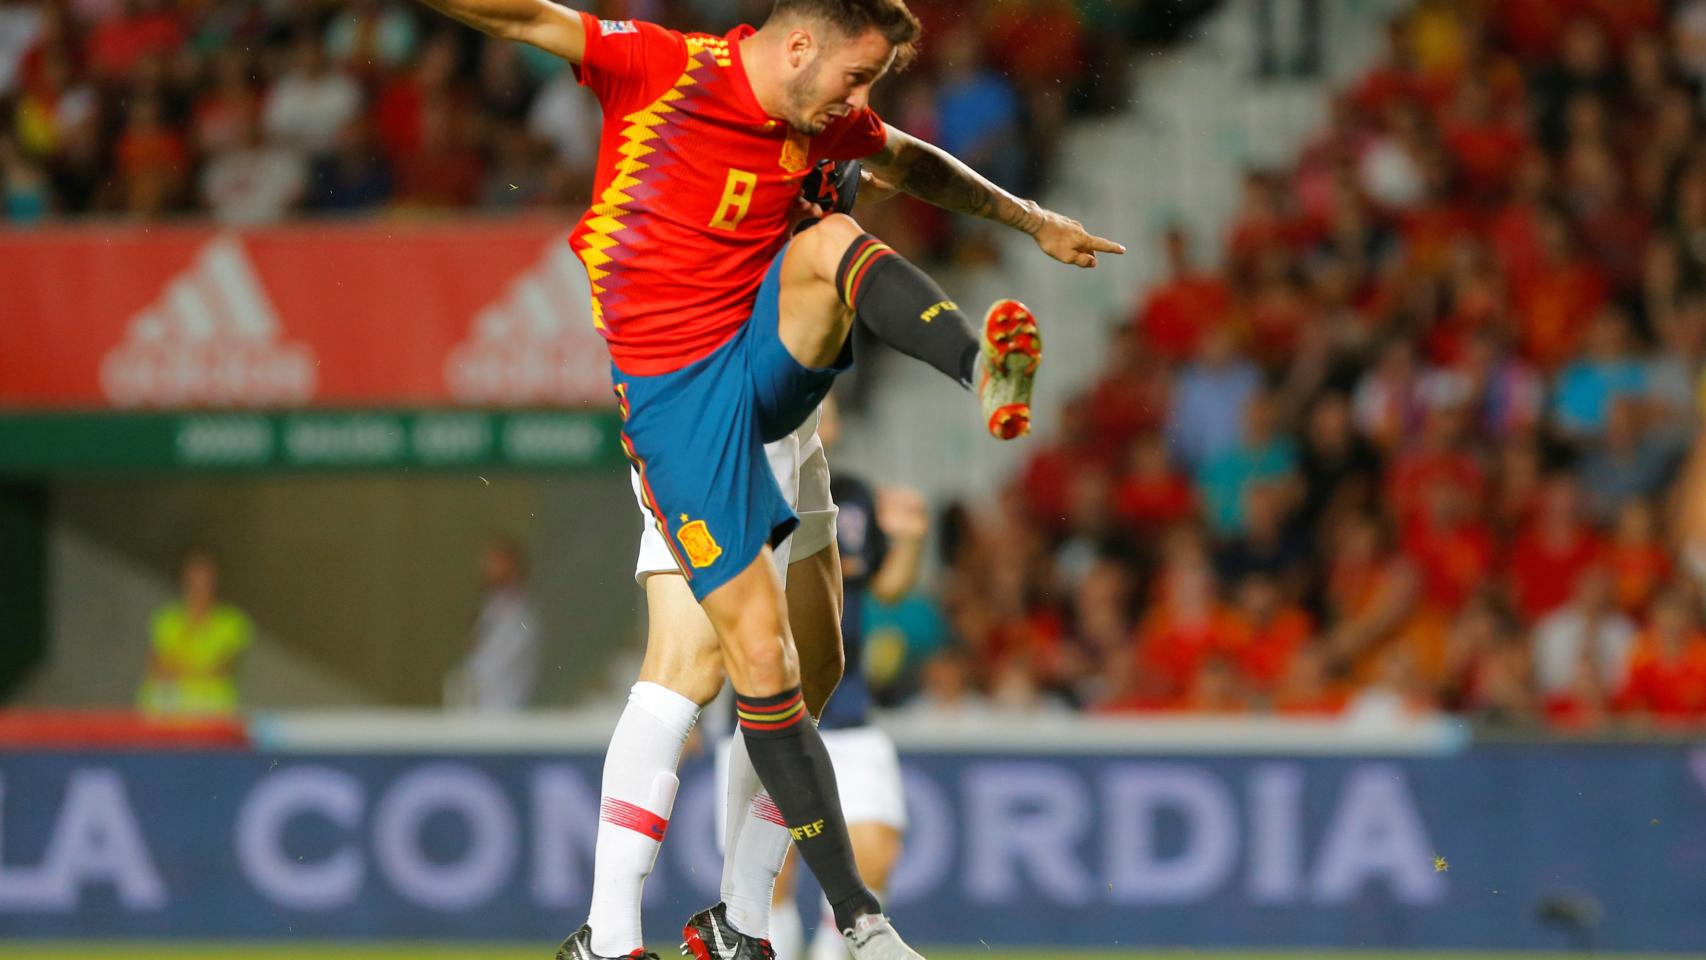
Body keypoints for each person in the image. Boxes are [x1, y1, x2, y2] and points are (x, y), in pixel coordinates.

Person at [409, 2, 1123, 958]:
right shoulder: (663, 70)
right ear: (797, 46)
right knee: (716, 664)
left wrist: (1030, 220)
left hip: (773, 374)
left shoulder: (829, 116)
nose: (862, 105)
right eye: (856, 79)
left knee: (812, 663)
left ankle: (978, 368)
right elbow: (528, 16)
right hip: (681, 405)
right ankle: (658, 933)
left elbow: (909, 160)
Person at [768, 395, 925, 960]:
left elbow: (885, 587)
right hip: (769, 711)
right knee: (771, 877)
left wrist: (908, 540)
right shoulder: (746, 487)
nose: (822, 410)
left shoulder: (854, 497)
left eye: (829, 404)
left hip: (848, 707)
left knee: (875, 855)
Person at [137, 546, 252, 716]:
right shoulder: (166, 619)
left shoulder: (232, 622)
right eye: (193, 578)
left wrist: (178, 667)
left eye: (205, 578)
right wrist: (200, 668)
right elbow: (156, 667)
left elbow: (222, 668)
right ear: (184, 579)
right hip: (163, 716)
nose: (198, 586)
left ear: (215, 581)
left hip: (209, 718)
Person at [445, 536, 540, 712]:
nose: (488, 566)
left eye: (497, 561)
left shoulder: (520, 620)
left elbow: (487, 670)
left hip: (501, 715)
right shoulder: (490, 611)